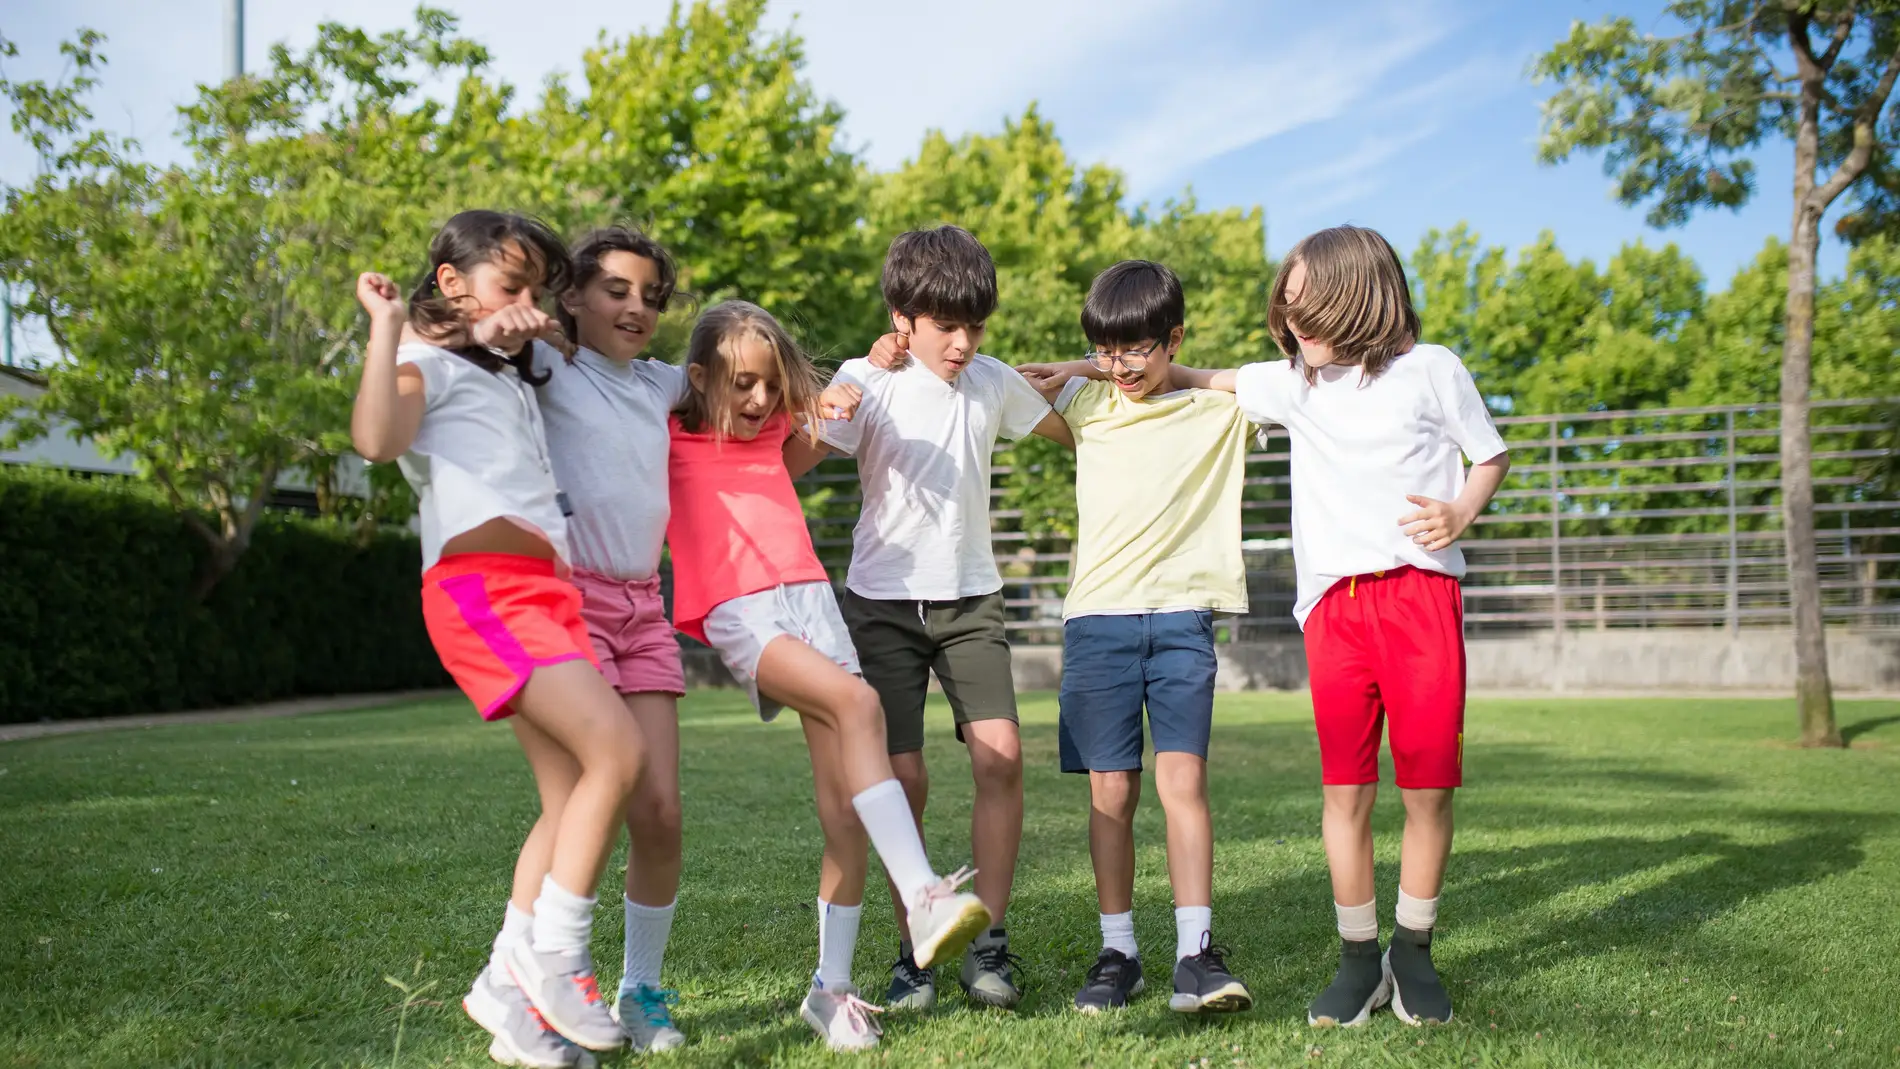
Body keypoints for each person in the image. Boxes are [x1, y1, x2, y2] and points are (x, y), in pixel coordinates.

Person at [1172, 224, 1511, 1027]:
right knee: (1344, 790)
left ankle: (1413, 953)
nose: (1293, 325)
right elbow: (1195, 373)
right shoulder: (1295, 385)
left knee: (1427, 787)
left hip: (1420, 599)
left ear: (1358, 293)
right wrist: (1091, 366)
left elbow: (1489, 454)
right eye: (1285, 310)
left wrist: (1462, 508)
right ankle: (1360, 958)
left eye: (1308, 307)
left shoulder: (1434, 370)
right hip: (1333, 610)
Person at [349, 210, 642, 1067]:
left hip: (546, 596)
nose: (527, 303)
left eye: (534, 289)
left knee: (570, 798)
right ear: (452, 279)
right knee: (617, 752)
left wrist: (507, 326)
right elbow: (375, 440)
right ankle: (553, 958)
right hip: (481, 594)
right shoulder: (424, 364)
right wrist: (389, 328)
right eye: (511, 284)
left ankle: (505, 995)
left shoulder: (513, 374)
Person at [665, 299, 992, 1051]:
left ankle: (830, 991)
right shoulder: (672, 431)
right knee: (858, 699)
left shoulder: (782, 421)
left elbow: (838, 393)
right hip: (738, 608)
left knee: (845, 817)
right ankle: (921, 893)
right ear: (701, 378)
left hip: (810, 598)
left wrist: (865, 369)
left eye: (769, 385)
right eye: (740, 384)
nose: (755, 401)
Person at [794, 225, 1074, 1012]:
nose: (962, 342)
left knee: (1002, 758)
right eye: (946, 325)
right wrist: (823, 405)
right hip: (881, 604)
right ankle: (917, 946)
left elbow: (1077, 430)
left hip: (971, 600)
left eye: (975, 325)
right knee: (901, 778)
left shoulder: (990, 381)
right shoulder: (866, 376)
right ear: (901, 317)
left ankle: (990, 944)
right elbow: (787, 461)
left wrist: (1088, 370)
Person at [1016, 260, 1255, 1017]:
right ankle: (1118, 950)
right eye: (1105, 350)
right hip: (1098, 623)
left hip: (1183, 620)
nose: (1121, 367)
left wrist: (1177, 370)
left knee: (1182, 783)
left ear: (1174, 338)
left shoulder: (1217, 410)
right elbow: (1016, 396)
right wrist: (1091, 364)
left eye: (1137, 350)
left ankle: (1196, 953)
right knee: (1110, 792)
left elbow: (1278, 381)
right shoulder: (1091, 402)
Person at [533, 225, 689, 1051]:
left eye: (650, 296)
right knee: (582, 797)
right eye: (617, 290)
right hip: (571, 603)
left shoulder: (661, 384)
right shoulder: (550, 366)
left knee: (659, 810)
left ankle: (642, 989)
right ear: (573, 297)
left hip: (644, 609)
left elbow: (744, 370)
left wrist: (864, 369)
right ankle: (560, 978)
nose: (636, 307)